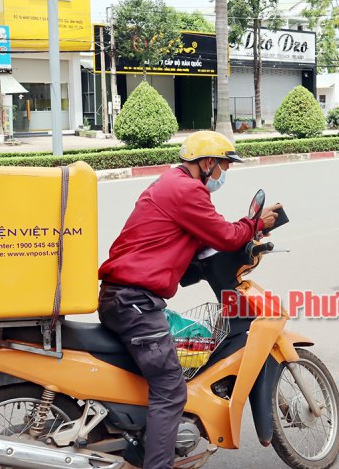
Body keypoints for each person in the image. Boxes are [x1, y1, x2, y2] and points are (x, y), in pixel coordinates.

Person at [97, 131, 280, 469]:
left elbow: (187, 238)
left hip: (123, 297)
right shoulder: (187, 190)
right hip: (135, 301)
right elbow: (223, 234)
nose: (224, 173)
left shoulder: (170, 184)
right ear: (207, 163)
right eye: (224, 166)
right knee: (170, 388)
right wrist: (255, 223)